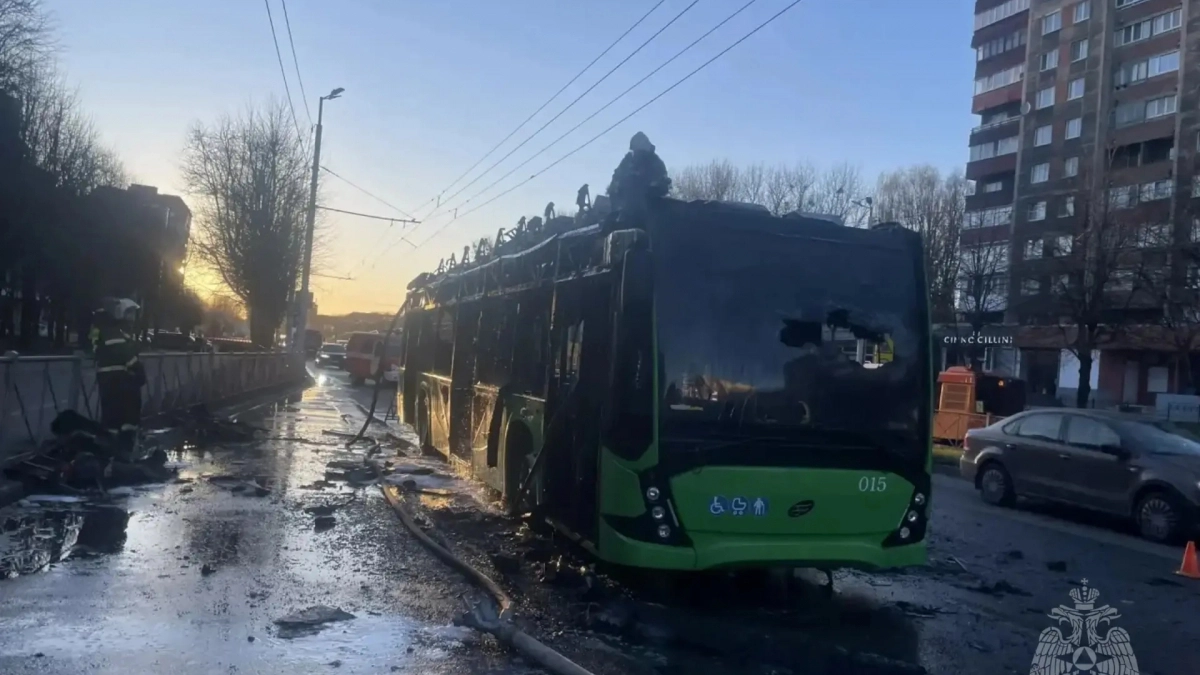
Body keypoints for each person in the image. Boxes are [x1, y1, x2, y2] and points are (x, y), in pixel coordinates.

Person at [93, 297, 146, 460]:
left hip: (117, 378)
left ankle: (116, 453)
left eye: (134, 314)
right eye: (129, 313)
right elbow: (122, 352)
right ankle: (117, 454)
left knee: (118, 418)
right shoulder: (113, 330)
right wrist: (138, 369)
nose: (133, 317)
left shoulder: (119, 330)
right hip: (115, 379)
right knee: (119, 417)